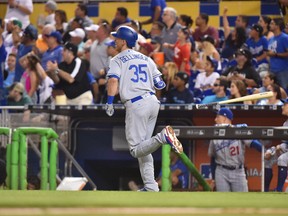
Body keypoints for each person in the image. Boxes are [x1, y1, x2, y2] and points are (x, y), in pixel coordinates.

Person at [105, 26, 183, 192]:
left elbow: (113, 82)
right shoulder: (147, 59)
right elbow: (160, 83)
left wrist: (110, 101)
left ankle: (163, 137)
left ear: (124, 41)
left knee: (135, 150)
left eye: (117, 38)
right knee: (144, 147)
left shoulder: (117, 59)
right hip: (152, 102)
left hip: (136, 104)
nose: (114, 41)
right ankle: (151, 186)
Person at [208, 108, 262, 192]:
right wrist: (214, 179)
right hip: (221, 171)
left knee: (243, 200)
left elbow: (254, 143)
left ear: (224, 118)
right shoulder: (214, 134)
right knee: (223, 200)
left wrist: (265, 151)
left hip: (238, 171)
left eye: (217, 117)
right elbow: (212, 158)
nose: (215, 119)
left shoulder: (239, 130)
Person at [264, 98, 288, 192]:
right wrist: (278, 148)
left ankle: (279, 189)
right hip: (286, 148)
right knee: (268, 157)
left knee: (282, 159)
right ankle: (265, 190)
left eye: (285, 105)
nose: (282, 107)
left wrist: (280, 147)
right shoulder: (285, 123)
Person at [267, 18, 288, 90]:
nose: (270, 25)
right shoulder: (271, 39)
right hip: (272, 69)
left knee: (283, 90)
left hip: (283, 70)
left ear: (277, 26)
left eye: (272, 24)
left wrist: (276, 54)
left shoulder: (285, 38)